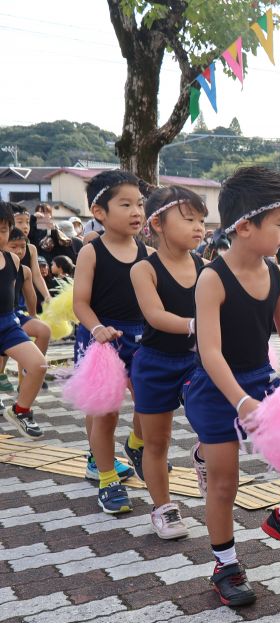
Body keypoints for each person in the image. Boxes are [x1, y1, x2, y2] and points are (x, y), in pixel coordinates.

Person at [184, 166, 280, 607]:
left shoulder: (277, 275)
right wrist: (240, 402)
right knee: (225, 482)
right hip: (215, 389)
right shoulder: (212, 277)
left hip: (260, 381)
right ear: (244, 227)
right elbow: (210, 352)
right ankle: (225, 565)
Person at [127, 186, 208, 539]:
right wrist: (196, 324)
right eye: (189, 219)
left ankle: (205, 455)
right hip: (154, 364)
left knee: (215, 423)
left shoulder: (207, 267)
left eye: (202, 221)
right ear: (157, 223)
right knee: (156, 443)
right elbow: (156, 315)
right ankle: (163, 507)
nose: (199, 227)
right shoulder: (144, 269)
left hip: (197, 361)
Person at [73, 170, 153, 511]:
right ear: (99, 212)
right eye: (125, 204)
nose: (136, 211)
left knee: (151, 404)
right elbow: (80, 303)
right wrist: (97, 330)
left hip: (141, 338)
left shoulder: (147, 252)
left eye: (139, 204)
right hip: (101, 341)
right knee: (104, 413)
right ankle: (106, 479)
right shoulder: (92, 252)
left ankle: (135, 445)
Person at [0, 206, 46, 439]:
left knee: (38, 365)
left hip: (8, 325)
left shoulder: (12, 260)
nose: (0, 236)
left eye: (3, 230)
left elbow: (25, 291)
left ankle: (20, 410)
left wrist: (34, 311)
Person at [8, 229, 51, 373]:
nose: (19, 251)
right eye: (13, 247)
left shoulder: (25, 270)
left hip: (14, 316)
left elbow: (30, 296)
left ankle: (29, 370)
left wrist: (33, 314)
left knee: (44, 330)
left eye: (22, 246)